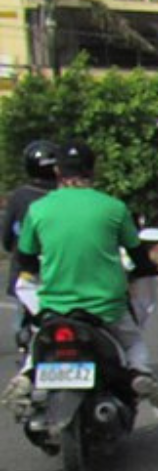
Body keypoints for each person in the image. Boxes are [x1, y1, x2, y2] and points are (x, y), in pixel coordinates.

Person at [4, 142, 158, 409]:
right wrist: (147, 269)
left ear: (58, 170)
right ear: (93, 170)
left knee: (39, 338)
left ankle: (26, 375)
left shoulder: (38, 209)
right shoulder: (114, 208)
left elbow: (24, 257)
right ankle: (139, 372)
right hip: (106, 308)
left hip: (55, 306)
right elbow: (137, 254)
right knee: (132, 340)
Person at [3, 140, 59, 341]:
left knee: (23, 318)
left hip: (27, 271)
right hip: (61, 268)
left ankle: (26, 345)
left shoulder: (20, 196)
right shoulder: (66, 195)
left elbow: (7, 237)